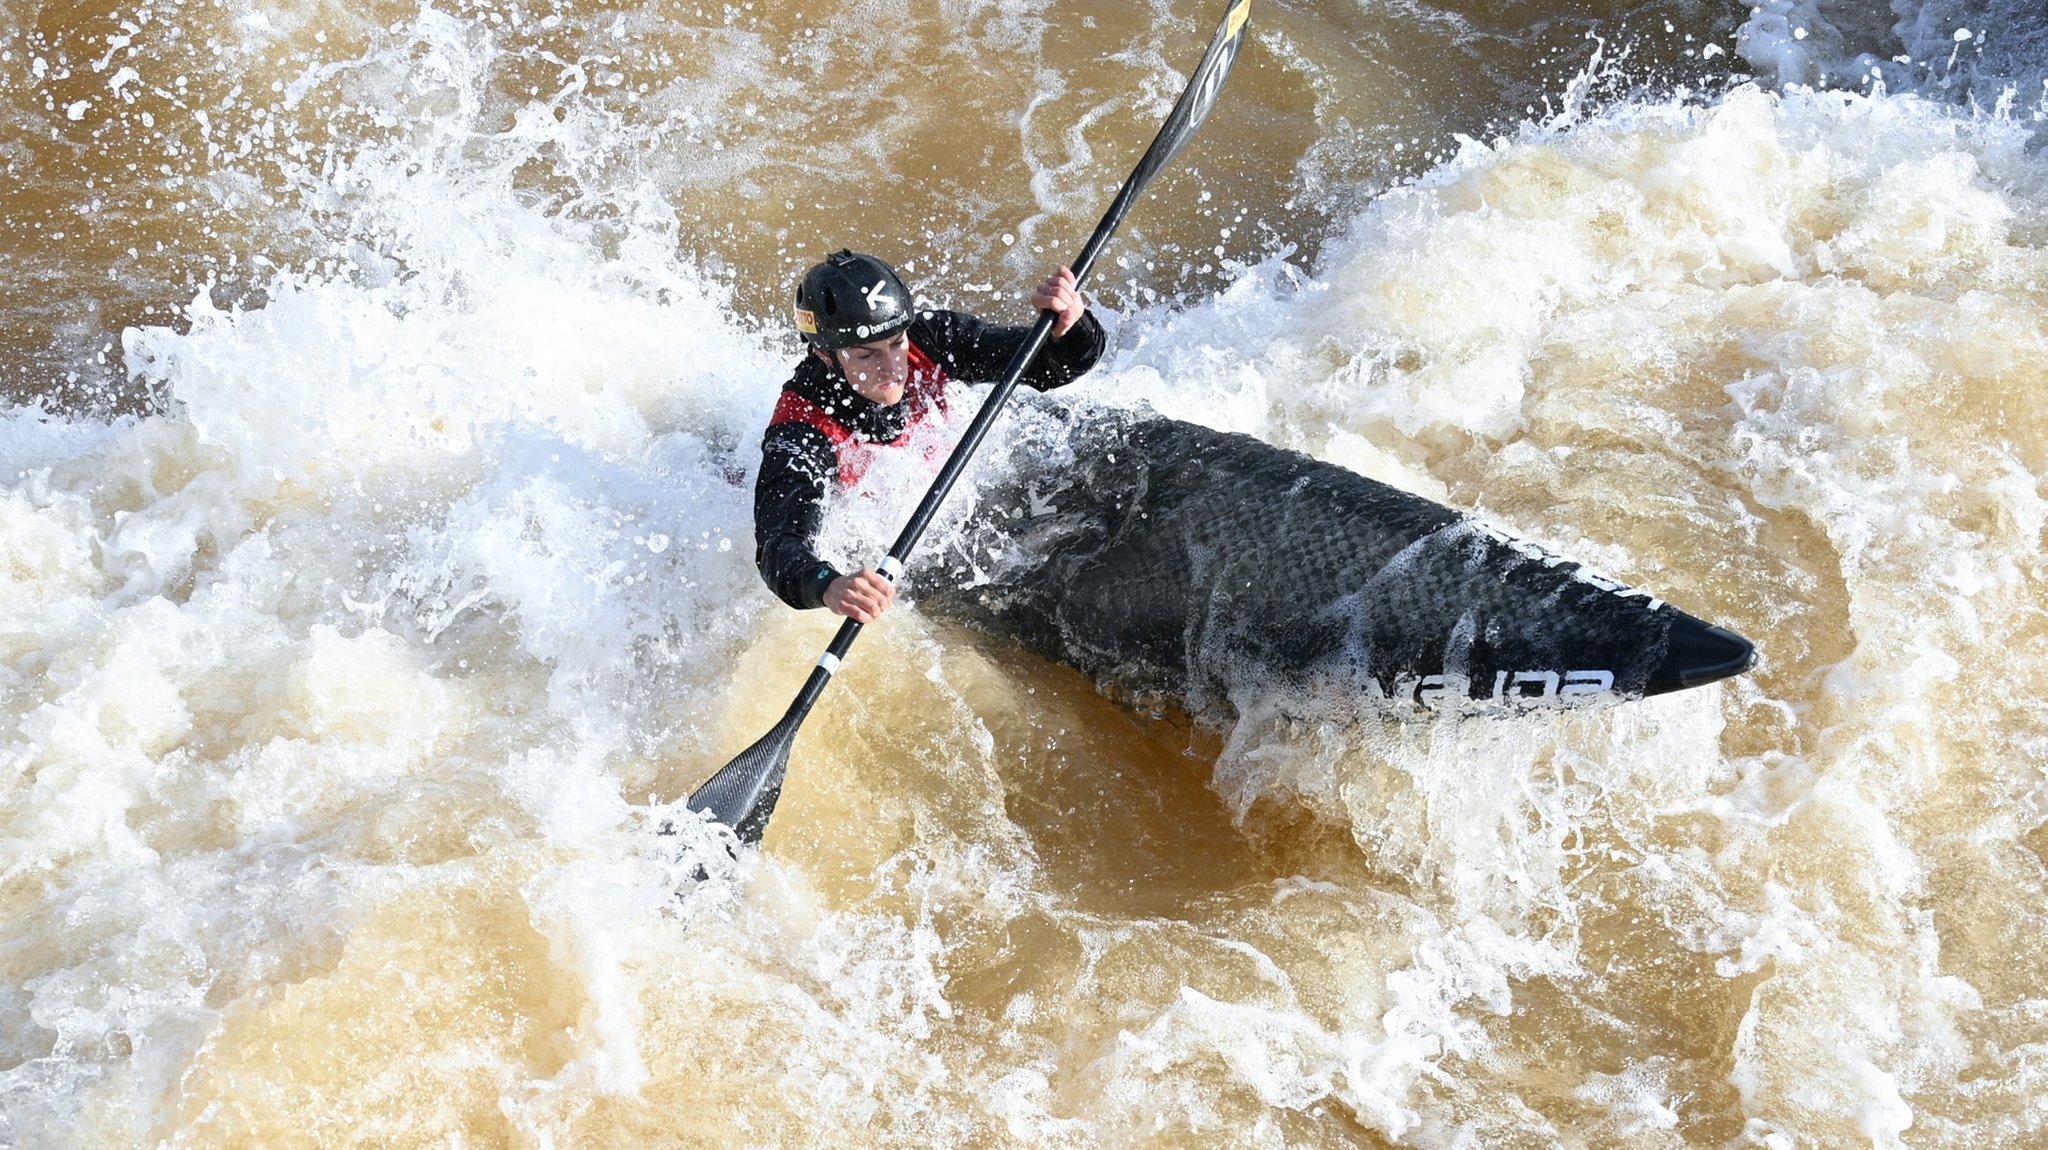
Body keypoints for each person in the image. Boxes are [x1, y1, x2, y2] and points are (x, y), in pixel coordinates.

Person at [754, 249, 1107, 623]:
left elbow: (1050, 366)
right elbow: (779, 546)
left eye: (895, 343)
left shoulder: (931, 337)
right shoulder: (802, 425)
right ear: (827, 356)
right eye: (865, 355)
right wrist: (828, 586)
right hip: (878, 551)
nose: (892, 367)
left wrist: (1071, 328)